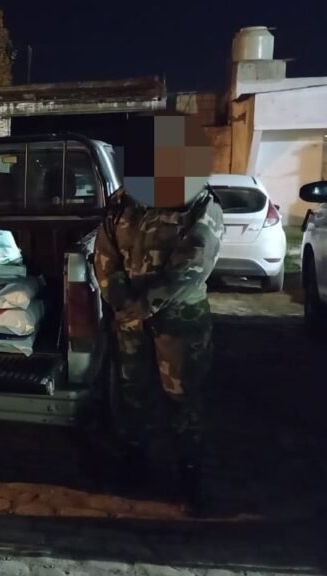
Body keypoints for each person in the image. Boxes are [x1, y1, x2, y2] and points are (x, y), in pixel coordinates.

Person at [93, 112, 225, 516]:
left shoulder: (200, 203)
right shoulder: (124, 201)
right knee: (133, 394)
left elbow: (195, 263)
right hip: (129, 318)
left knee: (182, 399)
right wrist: (117, 296)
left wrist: (147, 301)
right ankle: (136, 464)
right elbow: (105, 252)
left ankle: (190, 479)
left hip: (178, 321)